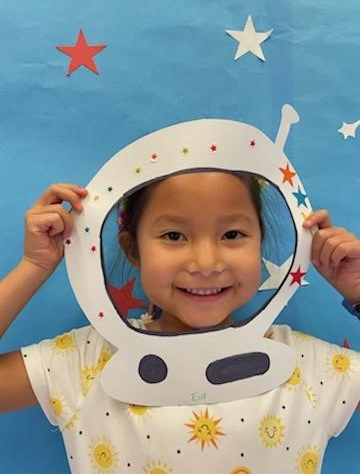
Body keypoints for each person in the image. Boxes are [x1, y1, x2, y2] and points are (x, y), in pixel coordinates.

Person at [0, 173, 359, 474]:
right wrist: (33, 266)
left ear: (260, 244)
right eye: (174, 236)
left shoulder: (306, 366)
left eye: (232, 234)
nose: (206, 262)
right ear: (132, 250)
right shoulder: (86, 362)